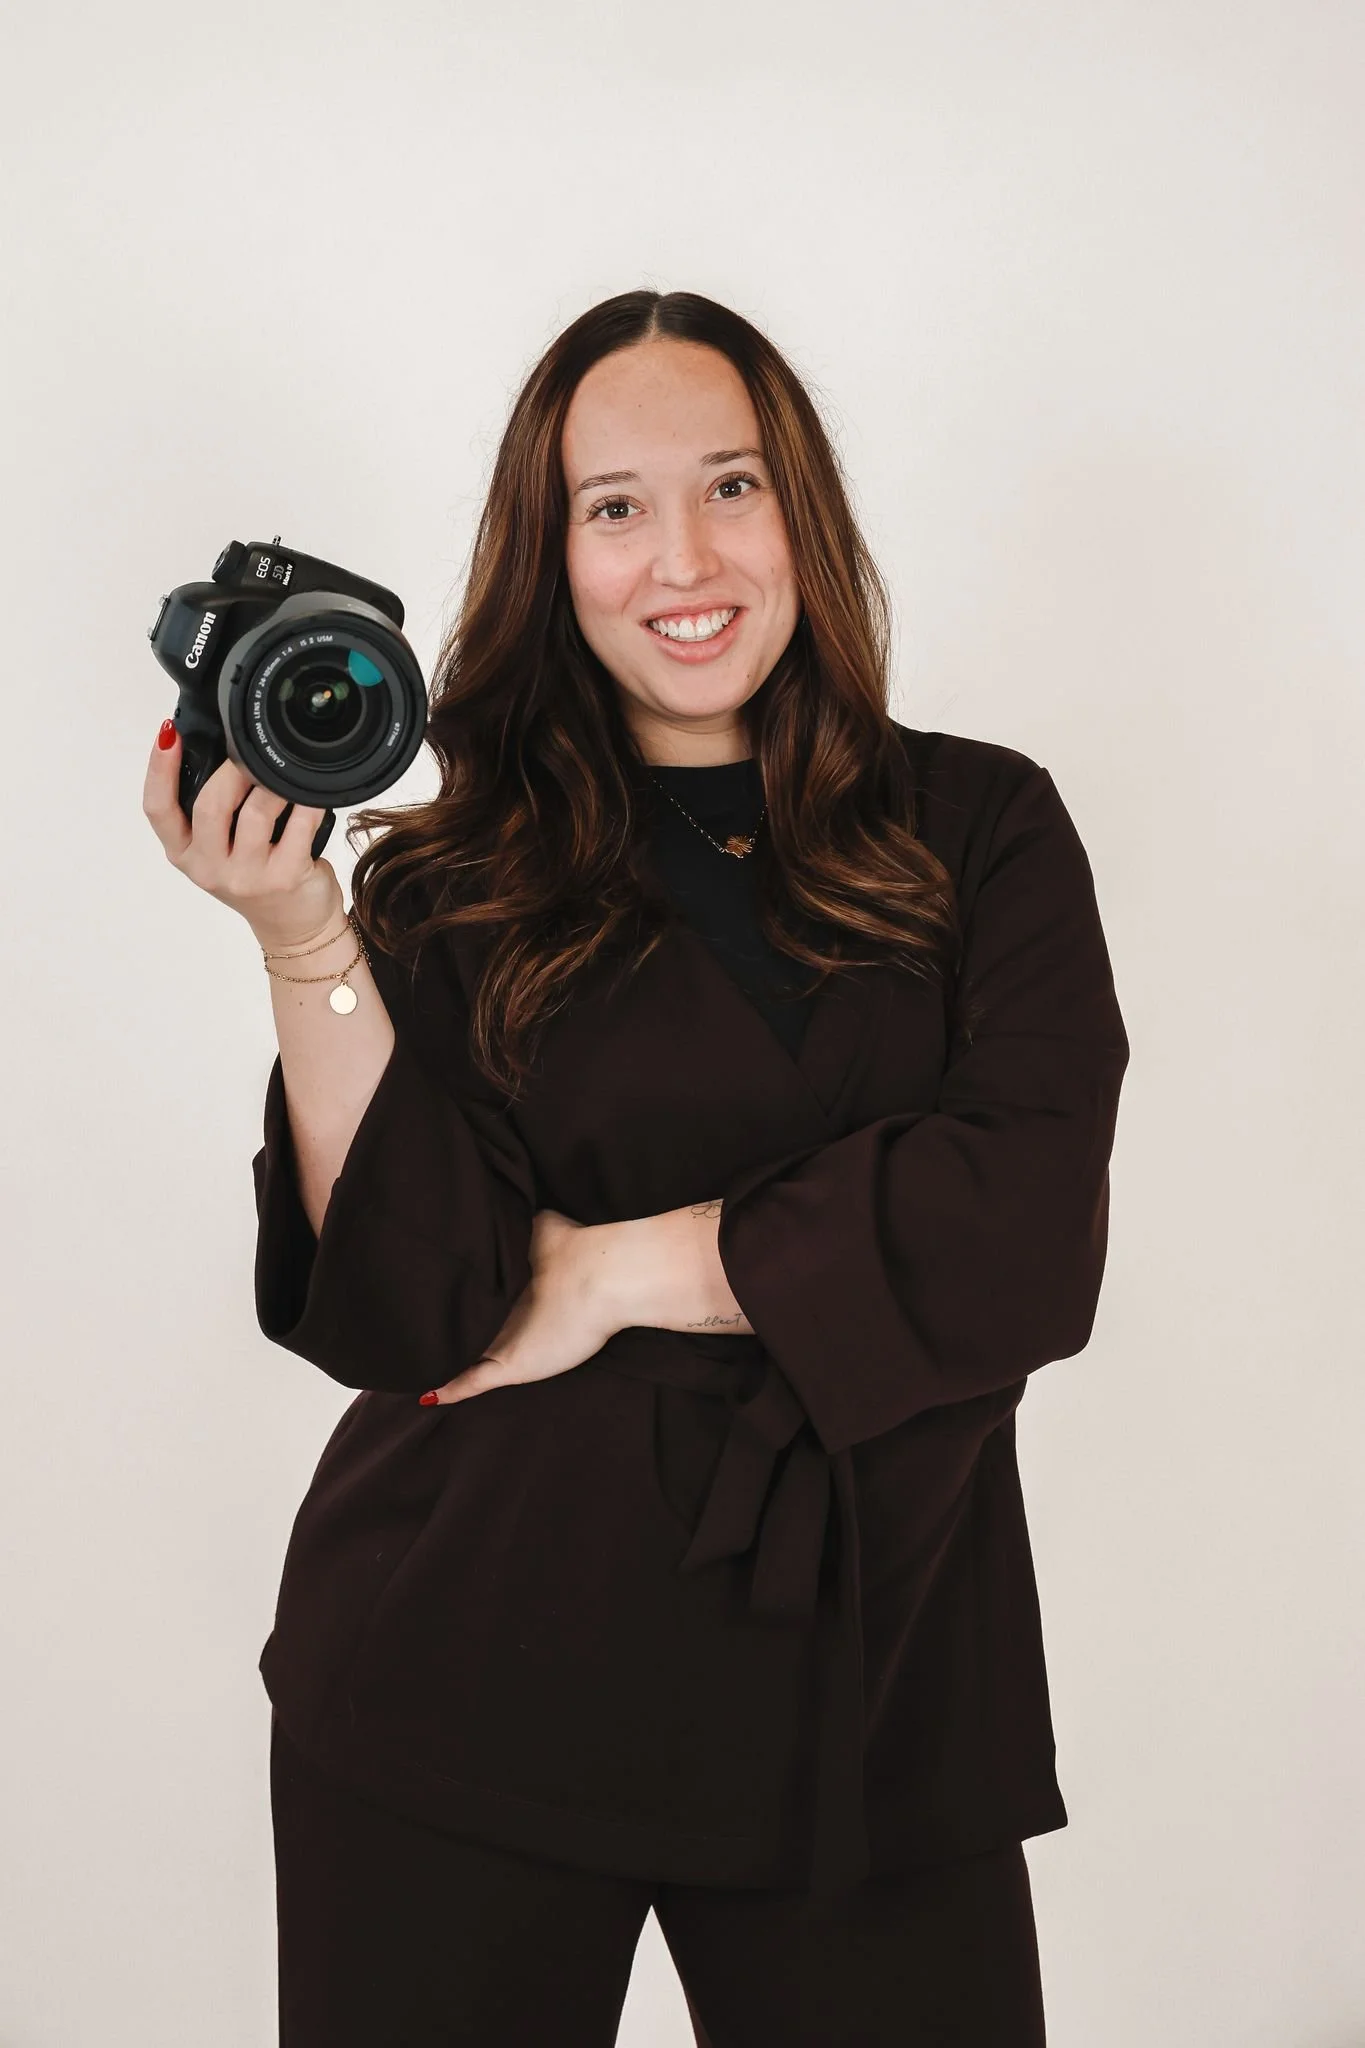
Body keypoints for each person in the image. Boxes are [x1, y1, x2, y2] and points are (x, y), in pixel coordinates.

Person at [142, 289, 1129, 2046]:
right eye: (615, 506)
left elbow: (1030, 1234)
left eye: (732, 485)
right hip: (465, 1666)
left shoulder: (982, 829)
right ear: (555, 554)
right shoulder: (452, 878)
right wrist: (302, 932)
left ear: (802, 511)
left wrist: (618, 1270)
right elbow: (418, 1311)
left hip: (875, 1684)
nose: (685, 557)